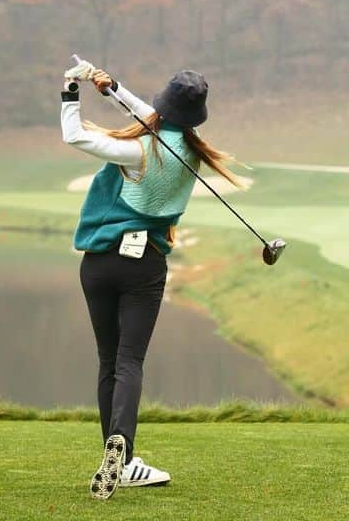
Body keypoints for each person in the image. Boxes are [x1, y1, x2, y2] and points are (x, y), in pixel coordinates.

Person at [61, 62, 242, 501]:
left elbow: (75, 137)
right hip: (145, 267)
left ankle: (118, 457)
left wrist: (70, 91)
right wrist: (113, 89)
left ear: (163, 107)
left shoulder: (140, 149)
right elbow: (152, 117)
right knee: (130, 362)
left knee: (107, 362)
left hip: (99, 265)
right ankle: (122, 450)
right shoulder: (194, 154)